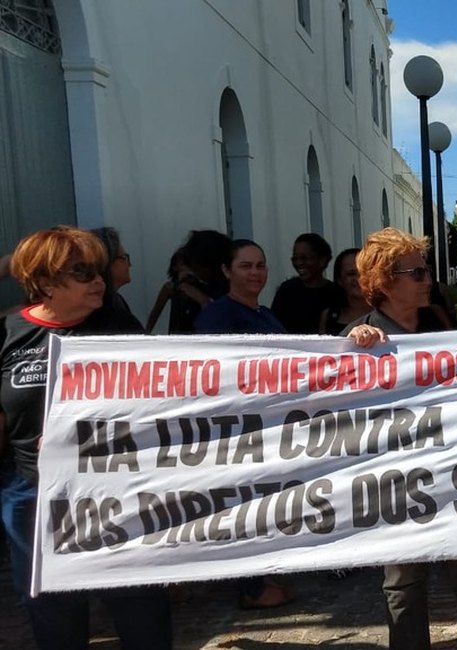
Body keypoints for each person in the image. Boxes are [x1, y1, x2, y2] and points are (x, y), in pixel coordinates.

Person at [0, 226, 172, 649]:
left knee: (140, 605)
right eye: (81, 273)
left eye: (98, 271)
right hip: (33, 499)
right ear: (44, 282)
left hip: (115, 492)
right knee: (53, 612)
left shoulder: (119, 329)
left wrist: (83, 435)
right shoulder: (7, 334)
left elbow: (156, 403)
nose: (98, 280)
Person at [344, 227, 457, 650]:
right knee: (403, 582)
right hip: (396, 481)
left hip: (456, 473)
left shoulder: (439, 321)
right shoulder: (361, 336)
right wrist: (354, 346)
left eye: (425, 270)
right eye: (415, 272)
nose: (427, 279)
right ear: (383, 281)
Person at [193, 239, 294, 608]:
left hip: (272, 430)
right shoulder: (217, 317)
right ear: (226, 271)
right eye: (245, 266)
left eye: (260, 265)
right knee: (243, 505)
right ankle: (251, 586)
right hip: (238, 431)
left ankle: (265, 574)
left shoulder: (266, 313)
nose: (255, 273)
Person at [271, 233, 345, 334]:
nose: (299, 263)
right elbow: (274, 327)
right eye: (295, 259)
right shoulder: (287, 291)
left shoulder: (335, 293)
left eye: (304, 258)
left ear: (322, 260)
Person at [170, 230, 231, 333]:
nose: (195, 272)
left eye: (196, 268)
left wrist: (204, 300)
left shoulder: (229, 289)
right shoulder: (194, 285)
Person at [89, 226, 144, 331]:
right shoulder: (98, 311)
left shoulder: (117, 300)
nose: (129, 264)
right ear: (106, 263)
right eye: (124, 258)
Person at [319, 248, 372, 335]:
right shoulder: (328, 316)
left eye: (363, 272)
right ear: (339, 280)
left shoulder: (386, 311)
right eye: (351, 274)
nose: (359, 278)